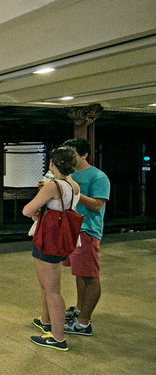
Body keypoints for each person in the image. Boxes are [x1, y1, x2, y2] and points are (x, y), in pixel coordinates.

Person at [22, 147, 80, 351]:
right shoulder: (73, 185)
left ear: (52, 164)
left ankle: (57, 337)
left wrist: (37, 206)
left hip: (47, 241)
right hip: (60, 240)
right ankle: (45, 321)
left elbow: (27, 210)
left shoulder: (53, 186)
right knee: (47, 286)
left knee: (53, 290)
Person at [62, 138, 110, 336]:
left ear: (84, 155)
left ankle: (83, 323)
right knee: (79, 273)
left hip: (88, 230)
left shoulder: (98, 177)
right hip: (72, 230)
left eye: (72, 154)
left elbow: (97, 205)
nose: (69, 158)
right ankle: (80, 309)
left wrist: (75, 191)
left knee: (90, 276)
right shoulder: (70, 175)